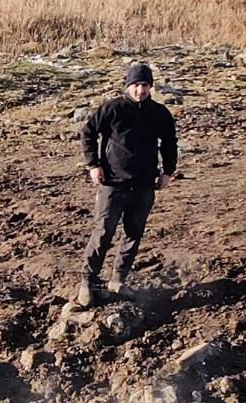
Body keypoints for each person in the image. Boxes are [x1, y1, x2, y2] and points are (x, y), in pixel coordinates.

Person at [75, 62, 177, 307]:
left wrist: (168, 172)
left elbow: (170, 142)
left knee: (133, 234)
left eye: (145, 85)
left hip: (144, 185)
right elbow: (88, 133)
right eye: (136, 85)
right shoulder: (112, 109)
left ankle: (118, 280)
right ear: (128, 86)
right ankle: (88, 282)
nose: (140, 90)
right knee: (103, 232)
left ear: (150, 87)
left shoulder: (159, 113)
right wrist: (93, 165)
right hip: (112, 183)